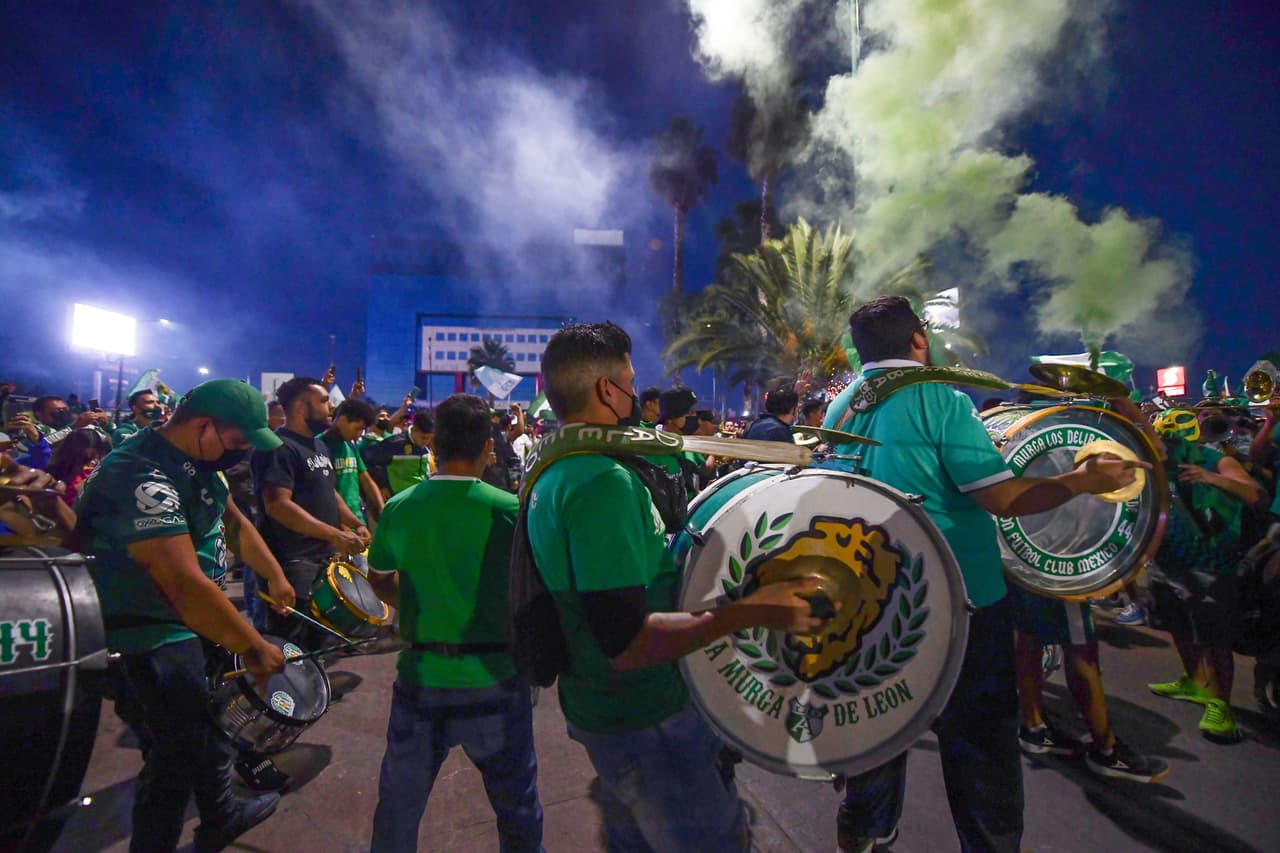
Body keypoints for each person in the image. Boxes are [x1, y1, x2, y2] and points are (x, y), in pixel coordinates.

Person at [822, 296, 1146, 852]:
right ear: (918, 340)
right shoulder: (938, 399)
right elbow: (1003, 496)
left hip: (871, 602)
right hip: (959, 604)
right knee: (981, 748)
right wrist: (1084, 481)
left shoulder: (842, 407)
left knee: (878, 731)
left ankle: (864, 833)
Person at [527, 322, 831, 852]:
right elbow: (627, 643)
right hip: (643, 717)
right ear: (607, 390)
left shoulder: (556, 465)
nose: (631, 390)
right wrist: (753, 609)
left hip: (604, 709)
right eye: (628, 379)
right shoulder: (601, 481)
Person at [74, 378, 298, 853]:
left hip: (189, 626)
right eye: (236, 443)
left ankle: (221, 816)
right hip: (149, 632)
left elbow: (232, 523)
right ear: (204, 427)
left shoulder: (198, 463)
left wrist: (274, 575)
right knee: (172, 760)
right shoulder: (140, 473)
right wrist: (253, 645)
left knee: (209, 730)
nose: (237, 455)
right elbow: (178, 579)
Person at [365, 394, 543, 852]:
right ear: (488, 447)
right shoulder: (509, 508)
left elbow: (379, 578)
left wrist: (417, 606)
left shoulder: (400, 507)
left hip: (422, 677)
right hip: (496, 677)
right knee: (516, 807)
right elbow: (531, 589)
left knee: (398, 809)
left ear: (434, 447)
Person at [1146, 408, 1263, 742]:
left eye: (1173, 439)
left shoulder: (1216, 459)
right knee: (1177, 624)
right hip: (1168, 561)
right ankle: (1194, 681)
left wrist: (1211, 478)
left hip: (1211, 562)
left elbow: (1253, 493)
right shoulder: (1159, 462)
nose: (1168, 445)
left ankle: (1221, 705)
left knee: (1214, 637)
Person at [1010, 585, 1170, 782]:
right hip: (1061, 576)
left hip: (1023, 565)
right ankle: (1107, 750)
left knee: (1029, 635)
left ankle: (1034, 726)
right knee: (1080, 646)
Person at [252, 377, 368, 646]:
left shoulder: (319, 445)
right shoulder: (277, 447)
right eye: (324, 401)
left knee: (318, 639)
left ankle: (313, 687)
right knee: (290, 644)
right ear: (302, 408)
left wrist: (352, 522)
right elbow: (278, 506)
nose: (331, 408)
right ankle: (286, 690)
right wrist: (334, 534)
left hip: (322, 559)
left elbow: (329, 491)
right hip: (293, 562)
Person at [320, 398, 385, 537]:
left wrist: (382, 509)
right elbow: (323, 492)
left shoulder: (349, 445)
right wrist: (343, 526)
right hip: (334, 528)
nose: (358, 434)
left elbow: (367, 480)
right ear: (342, 420)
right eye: (357, 428)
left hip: (358, 523)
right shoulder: (318, 446)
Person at [362, 410, 435, 498]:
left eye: (429, 438)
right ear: (414, 429)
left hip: (420, 497)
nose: (426, 442)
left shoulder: (426, 448)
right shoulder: (394, 444)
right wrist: (382, 485)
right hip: (399, 499)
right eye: (424, 438)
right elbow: (368, 460)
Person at [48, 426, 113, 506]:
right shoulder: (54, 474)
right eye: (85, 458)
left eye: (94, 456)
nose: (92, 462)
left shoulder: (100, 472)